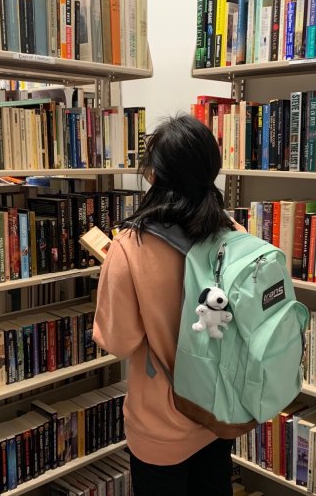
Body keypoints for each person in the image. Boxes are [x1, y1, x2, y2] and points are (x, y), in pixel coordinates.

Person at [93, 115, 243, 496]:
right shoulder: (236, 235)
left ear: (155, 176)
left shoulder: (130, 247)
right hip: (219, 413)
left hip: (161, 426)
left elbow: (118, 341)